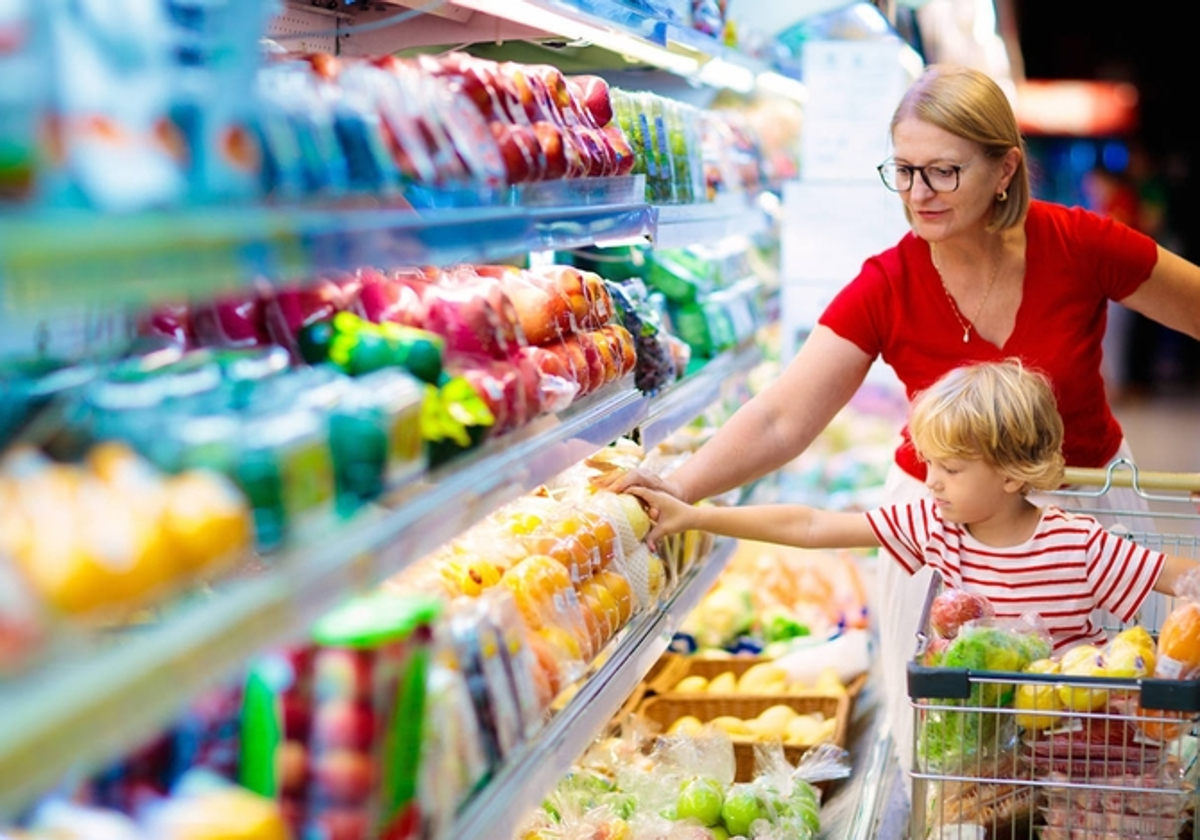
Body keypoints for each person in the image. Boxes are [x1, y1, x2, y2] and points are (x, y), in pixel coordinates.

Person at [594, 63, 1200, 778]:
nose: (918, 194)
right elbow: (783, 418)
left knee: (1102, 740)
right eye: (905, 171)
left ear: (1004, 169)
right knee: (957, 757)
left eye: (943, 172)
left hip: (1089, 521)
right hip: (943, 533)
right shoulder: (889, 282)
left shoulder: (1079, 244)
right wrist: (678, 487)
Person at [628, 360, 1196, 654]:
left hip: (1074, 755)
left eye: (951, 469)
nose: (932, 483)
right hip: (971, 755)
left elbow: (1182, 579)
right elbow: (809, 524)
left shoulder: (1079, 544)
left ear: (1010, 474)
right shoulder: (933, 528)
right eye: (929, 465)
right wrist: (696, 513)